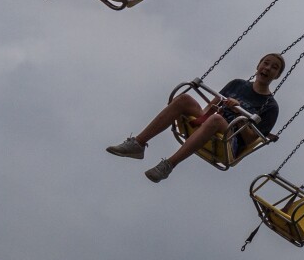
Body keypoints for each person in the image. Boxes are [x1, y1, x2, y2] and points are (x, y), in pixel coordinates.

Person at [105, 52, 283, 182]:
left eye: (274, 67)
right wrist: (211, 110)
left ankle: (169, 165)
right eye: (266, 63)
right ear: (258, 65)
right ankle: (138, 144)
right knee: (185, 99)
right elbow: (209, 108)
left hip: (231, 140)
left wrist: (240, 115)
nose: (267, 68)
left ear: (277, 76)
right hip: (212, 122)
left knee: (217, 120)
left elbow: (252, 139)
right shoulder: (237, 84)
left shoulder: (270, 106)